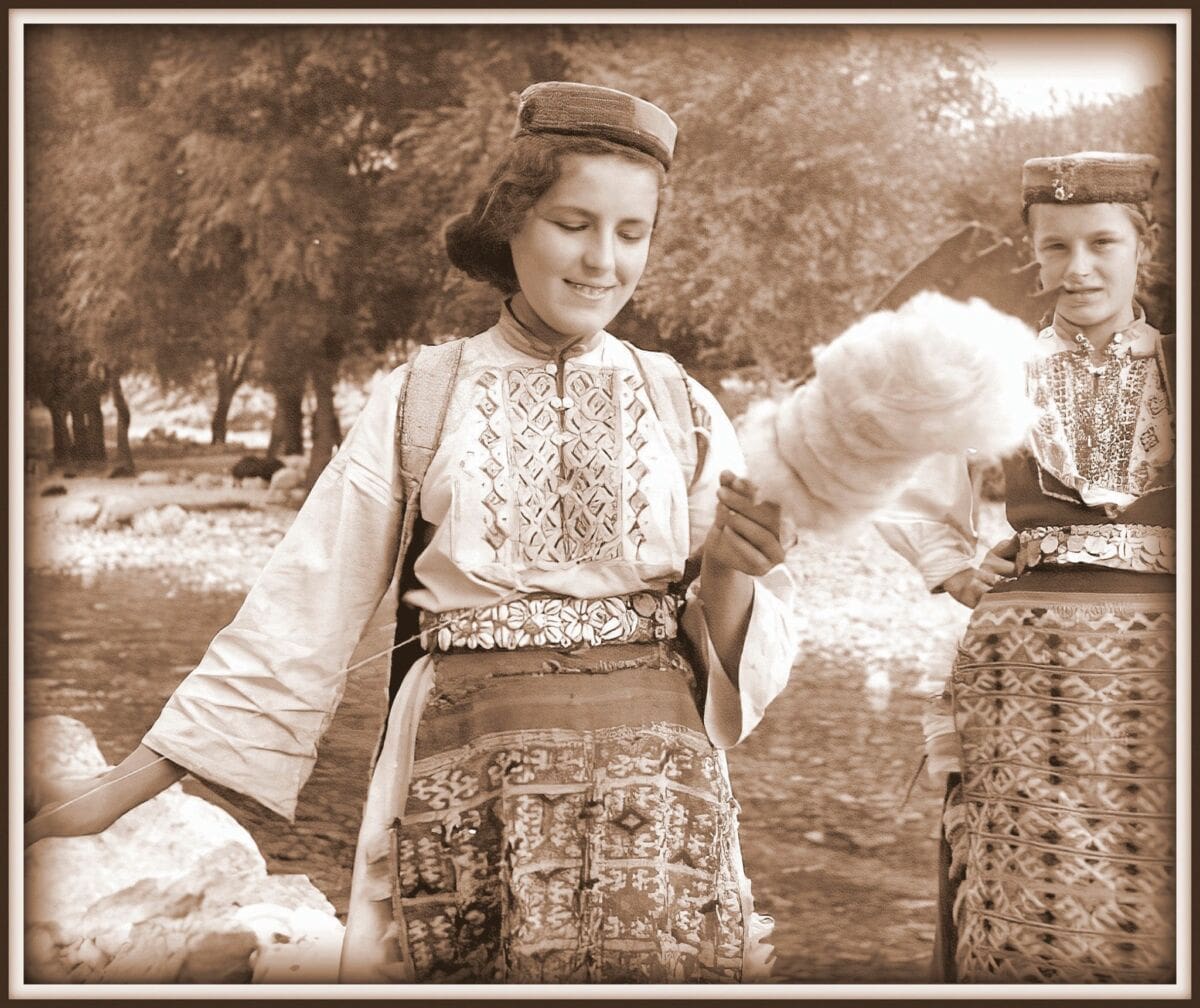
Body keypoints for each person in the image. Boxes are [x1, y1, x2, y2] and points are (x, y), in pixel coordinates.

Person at [25, 82, 797, 984]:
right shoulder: (422, 397)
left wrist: (734, 572)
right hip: (460, 799)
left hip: (662, 815)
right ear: (511, 221)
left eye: (633, 233)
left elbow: (736, 655)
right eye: (572, 224)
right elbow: (302, 610)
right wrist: (118, 789)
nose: (602, 260)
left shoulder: (683, 407)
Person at [876, 151, 1176, 983]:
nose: (1079, 269)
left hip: (1163, 672)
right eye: (1055, 247)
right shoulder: (998, 369)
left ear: (1144, 246)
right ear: (1033, 254)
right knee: (1025, 899)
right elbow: (900, 462)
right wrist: (955, 567)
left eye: (1102, 243)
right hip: (1026, 672)